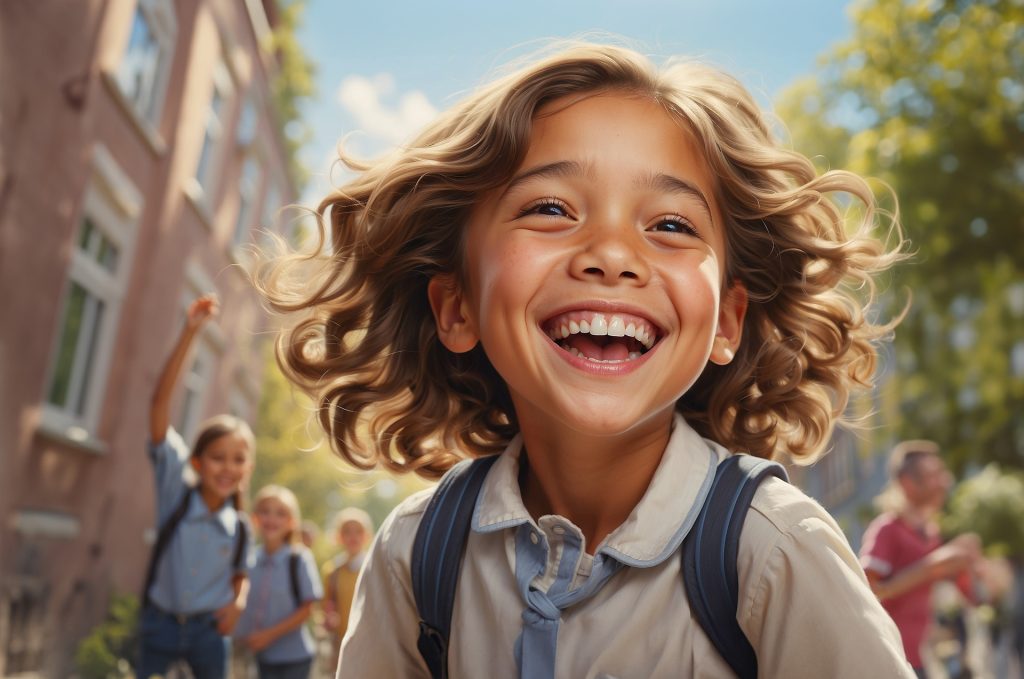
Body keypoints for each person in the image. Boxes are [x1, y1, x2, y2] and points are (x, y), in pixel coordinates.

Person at [257, 42, 915, 677]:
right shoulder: (416, 553)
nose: (612, 252)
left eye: (672, 224)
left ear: (727, 320)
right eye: (550, 208)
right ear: (457, 306)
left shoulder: (776, 551)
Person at [140, 294, 254, 679]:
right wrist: (190, 332)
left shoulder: (240, 527)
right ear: (197, 463)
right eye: (218, 457)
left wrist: (238, 603)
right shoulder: (175, 490)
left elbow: (241, 574)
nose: (228, 467)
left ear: (247, 469)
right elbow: (159, 404)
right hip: (160, 626)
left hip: (209, 633)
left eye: (238, 460)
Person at [860, 440, 982, 678]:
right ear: (908, 484)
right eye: (933, 475)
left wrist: (967, 568)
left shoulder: (930, 533)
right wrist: (936, 564)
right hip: (889, 659)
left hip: (921, 660)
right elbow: (867, 591)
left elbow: (968, 596)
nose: (945, 481)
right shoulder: (887, 529)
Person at [235, 485, 323, 679]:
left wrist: (268, 636)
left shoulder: (299, 558)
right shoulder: (250, 559)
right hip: (259, 657)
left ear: (291, 522)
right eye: (265, 512)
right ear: (255, 518)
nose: (272, 519)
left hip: (294, 658)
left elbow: (307, 608)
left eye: (281, 514)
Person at [320, 507, 373, 664]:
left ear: (367, 536)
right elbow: (325, 606)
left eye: (358, 531)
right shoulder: (332, 571)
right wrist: (328, 617)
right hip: (341, 643)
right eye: (347, 532)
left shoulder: (373, 568)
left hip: (369, 642)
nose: (353, 536)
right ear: (339, 537)